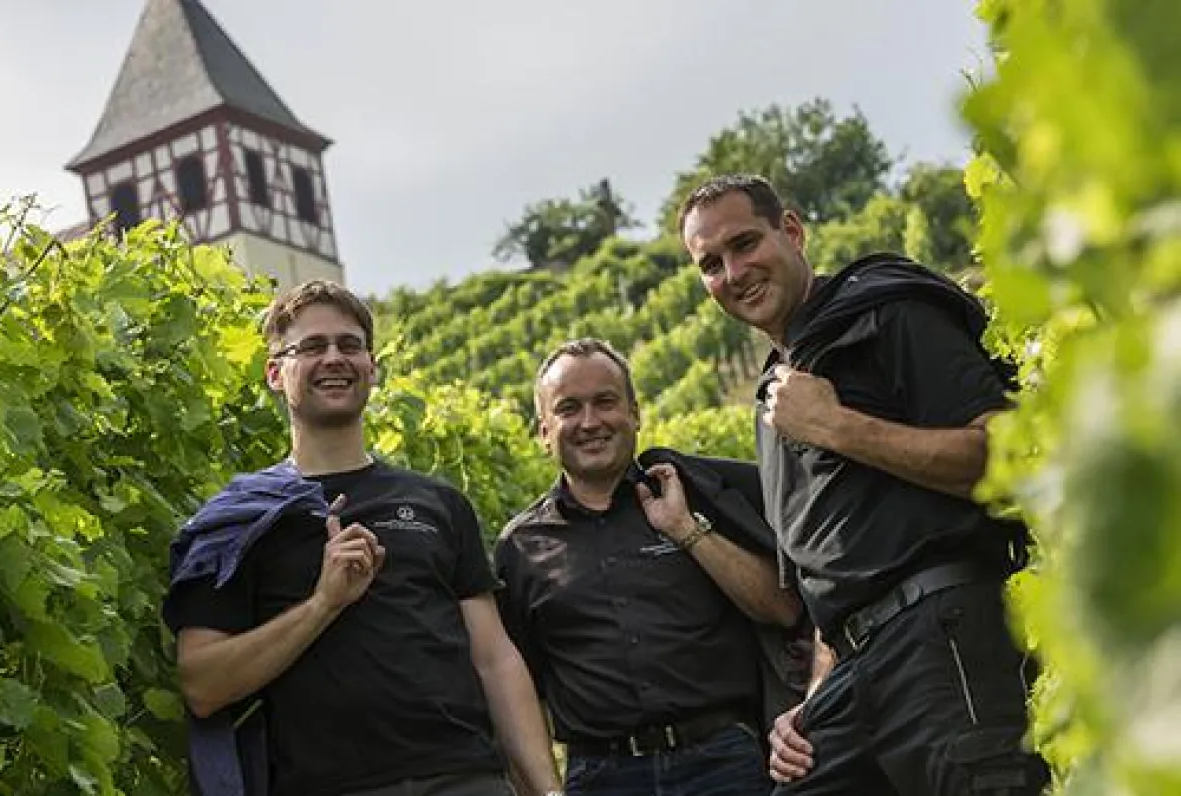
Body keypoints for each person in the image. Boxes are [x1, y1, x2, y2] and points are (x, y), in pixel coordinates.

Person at [678, 174, 1051, 795]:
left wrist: (836, 425)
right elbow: (834, 574)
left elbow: (1003, 457)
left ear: (792, 231)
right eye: (710, 264)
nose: (734, 271)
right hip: (857, 671)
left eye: (745, 244)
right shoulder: (773, 399)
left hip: (947, 634)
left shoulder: (887, 309)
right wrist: (813, 701)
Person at [163, 280, 562, 796]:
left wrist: (548, 789)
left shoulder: (438, 504)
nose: (335, 358)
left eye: (350, 345)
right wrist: (323, 604)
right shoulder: (236, 523)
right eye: (311, 347)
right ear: (273, 373)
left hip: (464, 780)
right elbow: (202, 685)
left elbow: (494, 659)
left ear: (371, 368)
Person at [494, 338, 805, 796]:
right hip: (602, 778)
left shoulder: (692, 495)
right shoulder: (520, 547)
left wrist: (686, 530)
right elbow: (519, 689)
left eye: (605, 402)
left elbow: (782, 609)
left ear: (635, 414)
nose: (590, 422)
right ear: (543, 431)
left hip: (724, 764)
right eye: (569, 408)